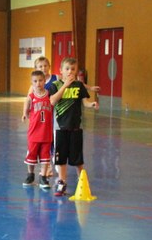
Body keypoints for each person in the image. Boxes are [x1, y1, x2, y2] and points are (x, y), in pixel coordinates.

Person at [48, 58, 99, 197]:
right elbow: (52, 101)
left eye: (73, 69)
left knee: (77, 158)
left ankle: (82, 180)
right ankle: (62, 182)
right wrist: (65, 86)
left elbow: (85, 102)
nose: (70, 71)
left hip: (76, 127)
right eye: (67, 69)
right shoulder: (55, 85)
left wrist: (91, 104)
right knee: (61, 157)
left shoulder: (79, 85)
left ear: (76, 71)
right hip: (60, 128)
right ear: (61, 71)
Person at [21, 70, 54, 189]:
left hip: (46, 132)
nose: (38, 83)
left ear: (45, 81)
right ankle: (30, 175)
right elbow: (26, 105)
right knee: (31, 155)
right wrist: (24, 114)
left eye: (40, 80)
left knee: (45, 156)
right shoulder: (31, 96)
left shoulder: (50, 95)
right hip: (34, 132)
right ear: (32, 83)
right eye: (35, 81)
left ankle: (43, 177)